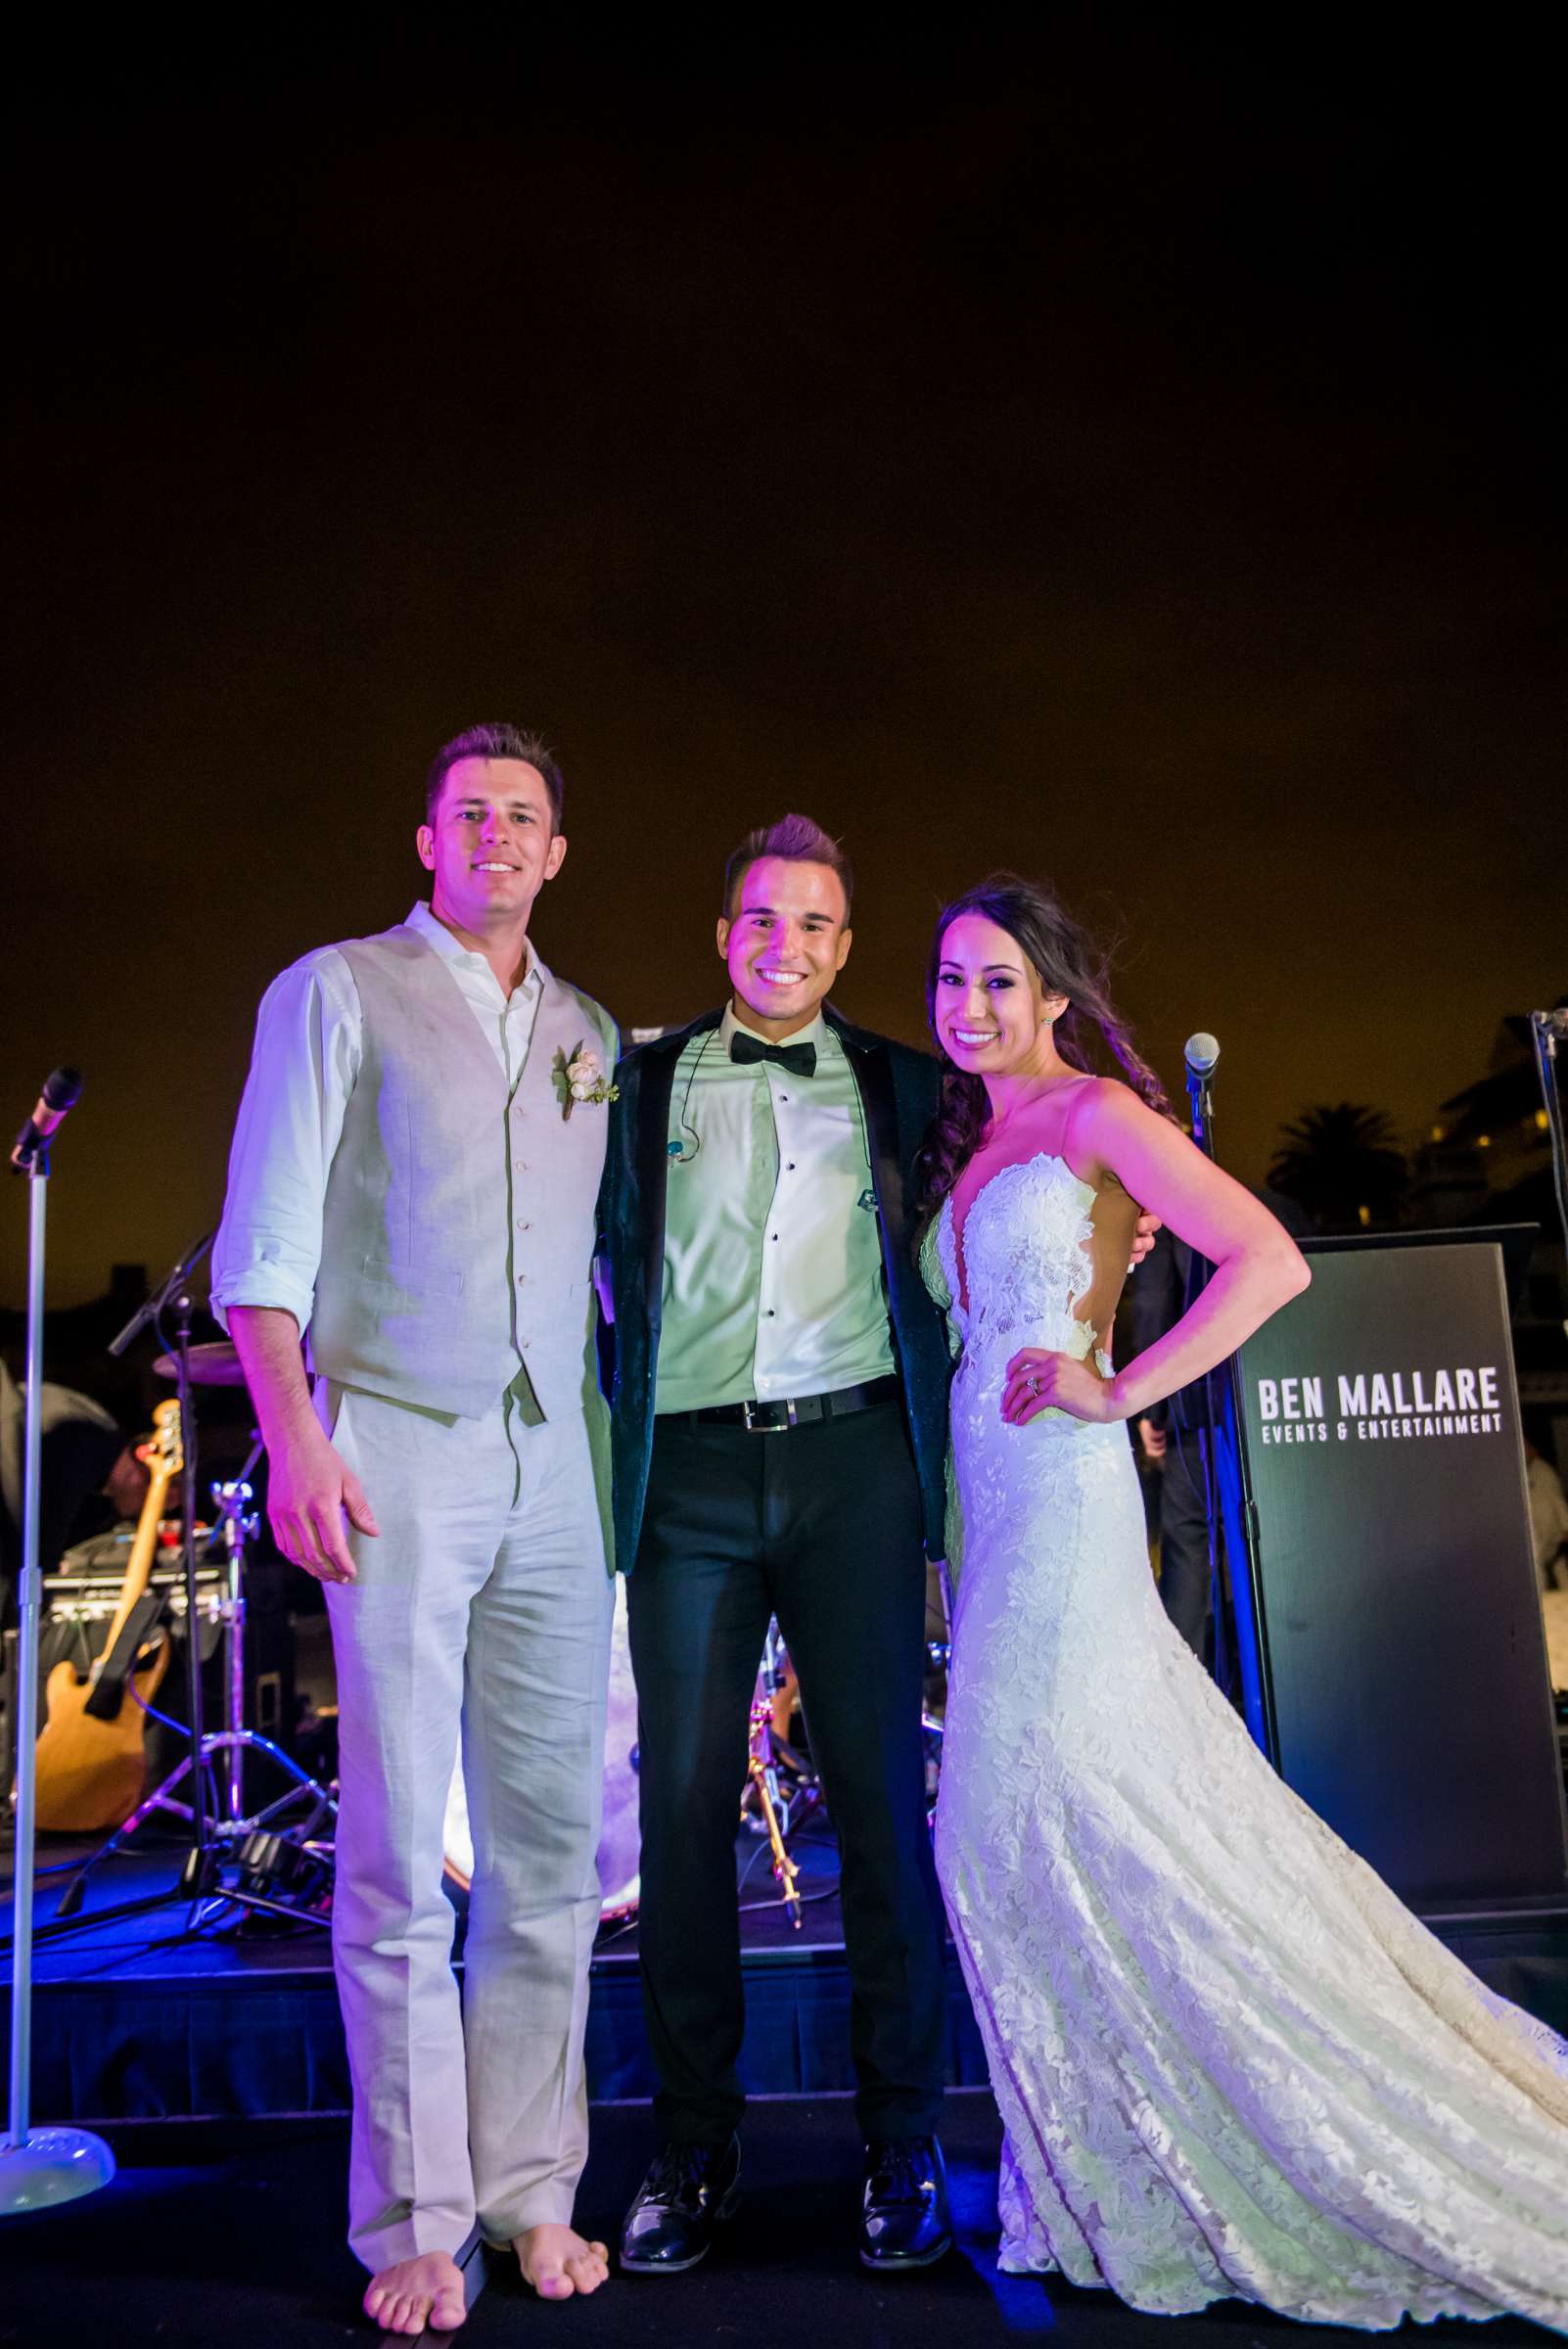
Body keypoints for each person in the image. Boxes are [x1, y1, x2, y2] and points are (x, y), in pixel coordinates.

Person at [916, 873, 1568, 2330]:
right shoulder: (974, 1144)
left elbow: (1265, 1259)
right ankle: (1103, 2167)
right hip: (992, 1517)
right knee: (1016, 1829)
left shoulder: (1091, 1117)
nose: (966, 1006)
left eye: (996, 981)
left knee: (1039, 1812)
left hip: (1066, 1499)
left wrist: (1121, 1387)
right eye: (948, 981)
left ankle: (1246, 2129)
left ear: (1055, 996)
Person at [600, 817, 1156, 2278]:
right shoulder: (629, 1084)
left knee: (881, 1815)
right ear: (723, 934)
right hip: (687, 1479)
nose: (786, 942)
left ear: (846, 951)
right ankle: (694, 2147)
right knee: (676, 1821)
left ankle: (900, 2142)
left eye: (818, 925)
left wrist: (1111, 1300)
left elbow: (1054, 1180)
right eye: (761, 919)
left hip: (858, 1469)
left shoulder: (919, 1087)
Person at [211, 724, 618, 2335]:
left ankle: (530, 2193)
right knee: (394, 1864)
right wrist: (296, 1431)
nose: (499, 836)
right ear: (428, 838)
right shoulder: (334, 989)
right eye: (472, 814)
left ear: (557, 852)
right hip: (390, 1446)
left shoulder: (587, 1026)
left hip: (554, 1472)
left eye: (525, 816)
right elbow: (266, 1233)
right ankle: (412, 2222)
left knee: (547, 1861)